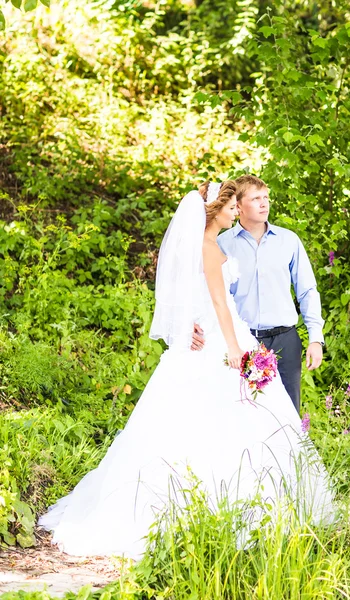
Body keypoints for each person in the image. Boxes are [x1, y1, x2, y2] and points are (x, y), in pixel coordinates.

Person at [38, 181, 334, 560]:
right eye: (230, 207)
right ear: (218, 211)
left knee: (262, 418)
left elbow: (191, 294)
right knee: (218, 420)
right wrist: (230, 346)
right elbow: (216, 301)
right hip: (223, 339)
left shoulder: (240, 243)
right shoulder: (213, 247)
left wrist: (199, 326)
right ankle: (226, 506)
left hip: (254, 335)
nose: (234, 213)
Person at [191, 175, 324, 413]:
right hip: (244, 342)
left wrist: (315, 338)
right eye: (256, 199)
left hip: (285, 341)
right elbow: (210, 295)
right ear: (238, 206)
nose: (264, 203)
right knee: (246, 415)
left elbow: (308, 291)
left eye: (266, 197)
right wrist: (192, 322)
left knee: (289, 414)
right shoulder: (221, 244)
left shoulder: (289, 241)